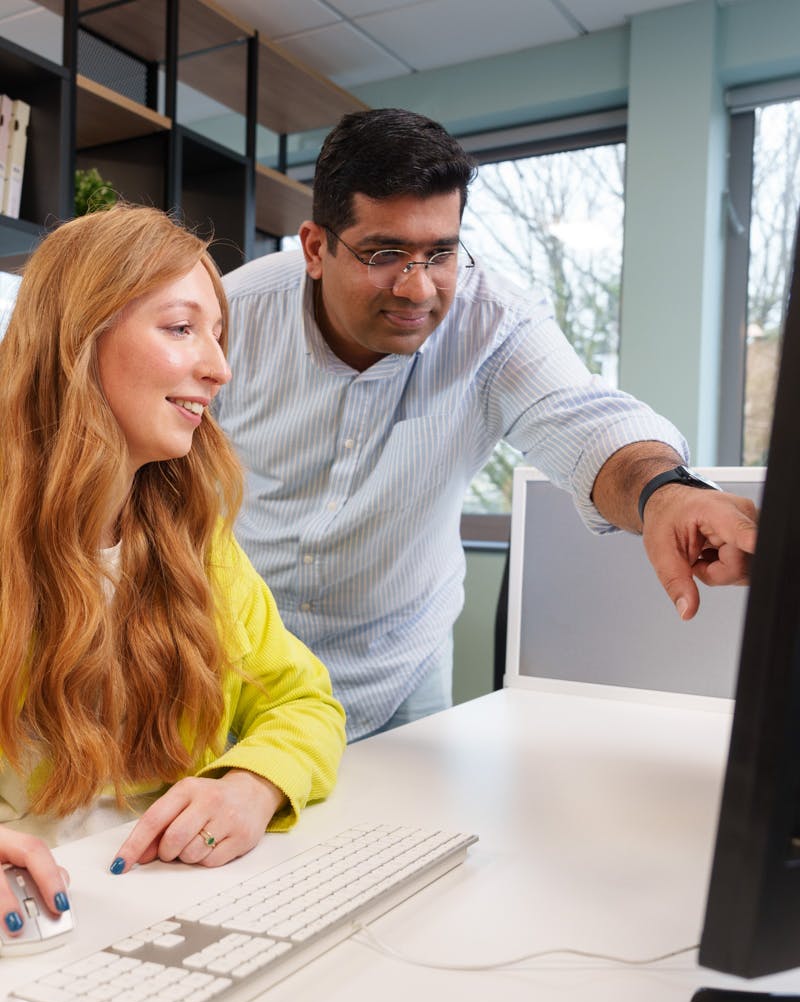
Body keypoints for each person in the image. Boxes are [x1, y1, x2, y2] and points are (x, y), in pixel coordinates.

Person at [217, 107, 758, 741]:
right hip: (235, 666)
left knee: (410, 842)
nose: (418, 289)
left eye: (440, 252)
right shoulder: (232, 316)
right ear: (315, 247)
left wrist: (664, 493)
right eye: (385, 253)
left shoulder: (495, 323)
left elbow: (586, 424)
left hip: (399, 675)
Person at [0, 204, 346, 941]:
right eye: (182, 328)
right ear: (80, 339)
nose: (219, 368)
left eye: (218, 337)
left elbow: (307, 704)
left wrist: (253, 785)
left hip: (177, 913)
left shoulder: (198, 546)